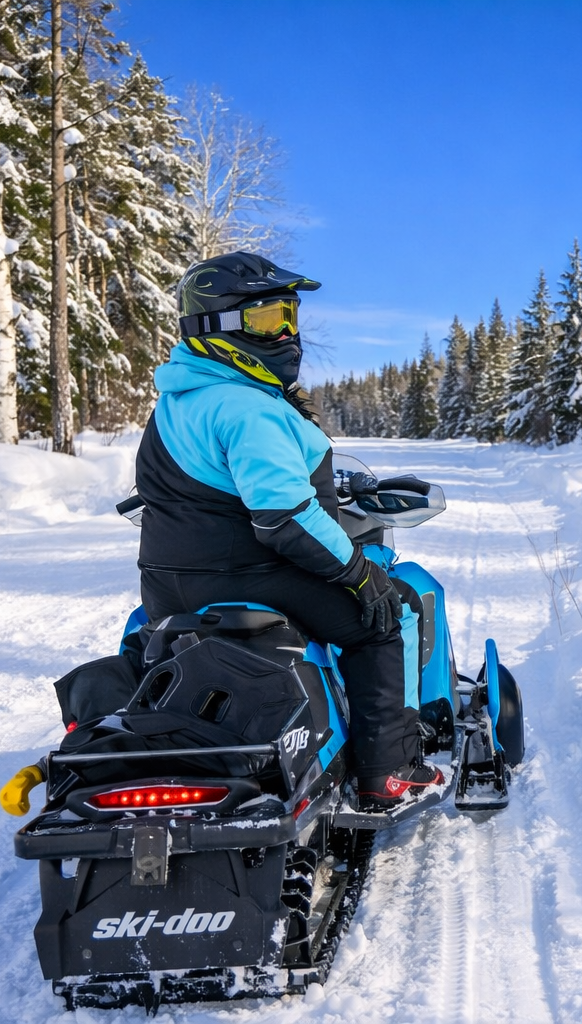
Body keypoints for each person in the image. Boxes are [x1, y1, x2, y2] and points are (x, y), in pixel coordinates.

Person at [131, 250, 442, 810]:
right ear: (216, 327)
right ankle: (386, 770)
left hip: (170, 584)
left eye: (289, 316)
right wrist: (357, 573)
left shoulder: (176, 402)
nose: (287, 334)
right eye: (268, 320)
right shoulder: (247, 408)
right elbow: (286, 517)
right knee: (382, 616)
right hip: (251, 574)